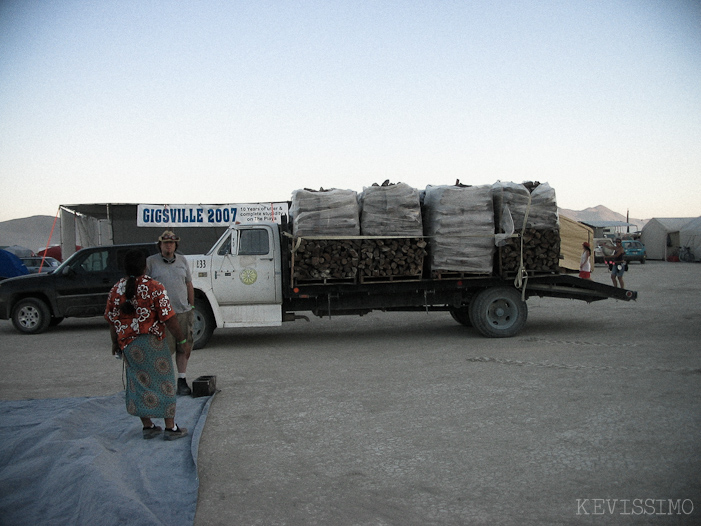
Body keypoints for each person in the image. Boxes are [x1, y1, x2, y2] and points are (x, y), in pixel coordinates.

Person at [105, 250, 190, 440]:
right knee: (165, 382)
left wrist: (115, 343)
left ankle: (148, 426)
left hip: (128, 345)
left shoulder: (115, 290)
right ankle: (170, 427)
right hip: (152, 344)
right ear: (145, 267)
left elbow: (111, 320)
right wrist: (181, 340)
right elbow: (169, 318)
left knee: (138, 383)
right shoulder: (154, 287)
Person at [147, 231, 195, 396]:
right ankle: (163, 383)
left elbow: (189, 283)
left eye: (172, 243)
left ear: (176, 245)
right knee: (163, 351)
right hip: (161, 316)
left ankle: (182, 380)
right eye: (166, 242)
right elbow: (144, 287)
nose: (169, 245)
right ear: (160, 245)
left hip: (182, 312)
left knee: (184, 346)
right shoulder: (151, 262)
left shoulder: (182, 260)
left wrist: (192, 306)